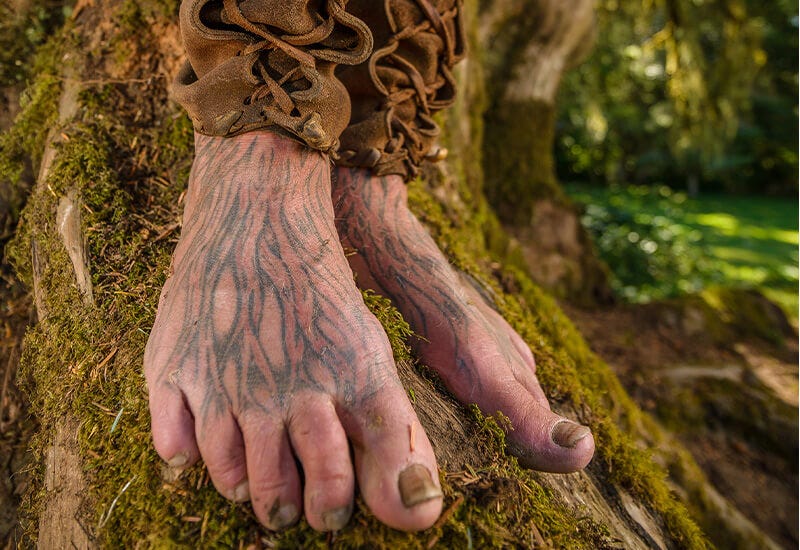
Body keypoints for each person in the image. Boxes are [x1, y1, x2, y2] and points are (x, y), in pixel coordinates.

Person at [144, 0, 595, 533]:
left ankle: (362, 162)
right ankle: (256, 136)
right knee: (263, 102)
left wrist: (377, 141)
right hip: (250, 136)